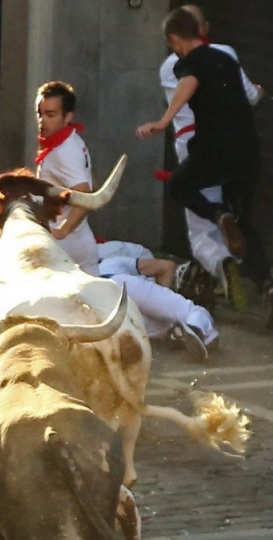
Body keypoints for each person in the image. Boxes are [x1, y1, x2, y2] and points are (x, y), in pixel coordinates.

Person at [137, 8, 272, 326]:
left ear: (173, 38)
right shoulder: (227, 54)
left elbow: (189, 83)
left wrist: (163, 120)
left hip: (204, 149)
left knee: (183, 191)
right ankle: (267, 284)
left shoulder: (179, 64)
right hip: (247, 151)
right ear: (202, 28)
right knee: (245, 220)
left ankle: (221, 251)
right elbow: (251, 94)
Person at [97, 240, 218, 363]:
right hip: (116, 280)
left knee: (157, 326)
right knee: (191, 312)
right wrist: (161, 301)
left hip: (100, 305)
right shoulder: (109, 260)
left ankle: (178, 334)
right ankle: (197, 330)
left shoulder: (85, 265)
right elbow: (167, 266)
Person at [33, 81, 100, 276]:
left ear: (67, 116)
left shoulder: (63, 151)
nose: (42, 120)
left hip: (66, 244)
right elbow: (92, 184)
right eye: (40, 113)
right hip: (79, 239)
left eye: (51, 115)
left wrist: (63, 230)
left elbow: (86, 194)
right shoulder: (72, 139)